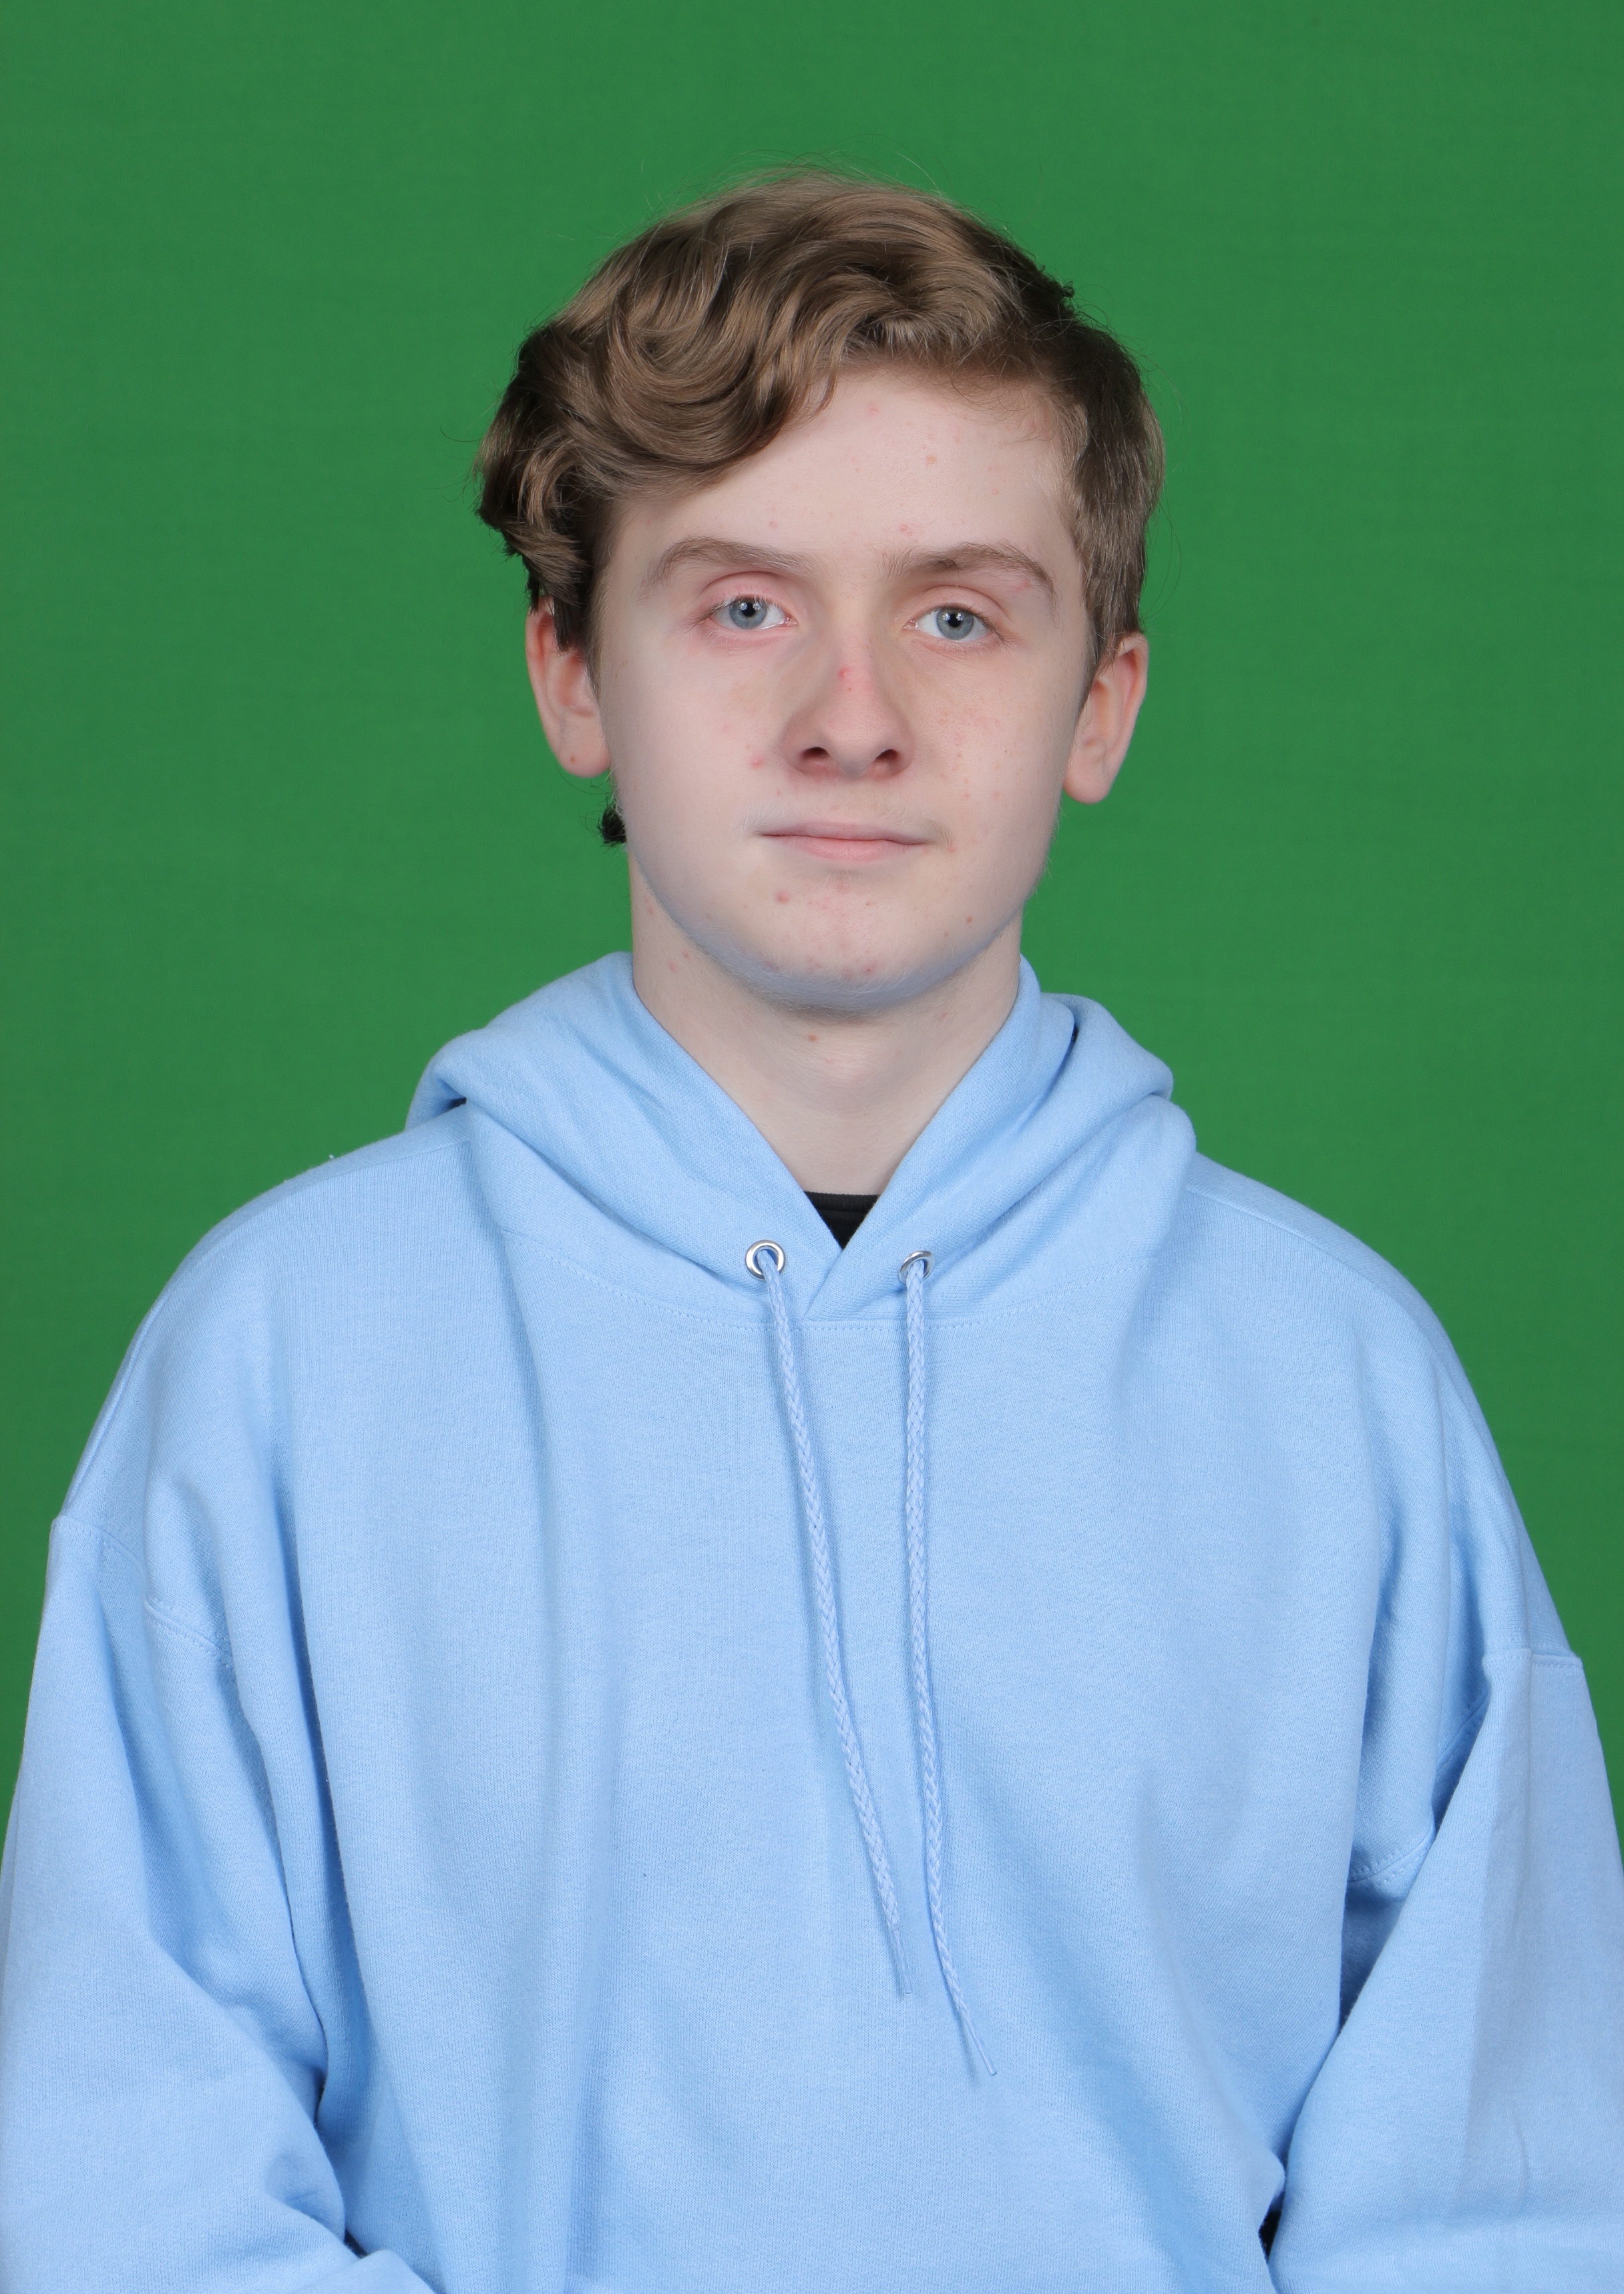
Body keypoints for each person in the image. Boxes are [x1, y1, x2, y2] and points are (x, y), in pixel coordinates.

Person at [1, 172, 1620, 2293]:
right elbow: (131, 2190)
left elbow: (1507, 2210)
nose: (851, 716)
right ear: (573, 676)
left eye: (958, 616)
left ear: (1103, 703)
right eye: (744, 606)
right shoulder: (283, 1360)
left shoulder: (1338, 1382)